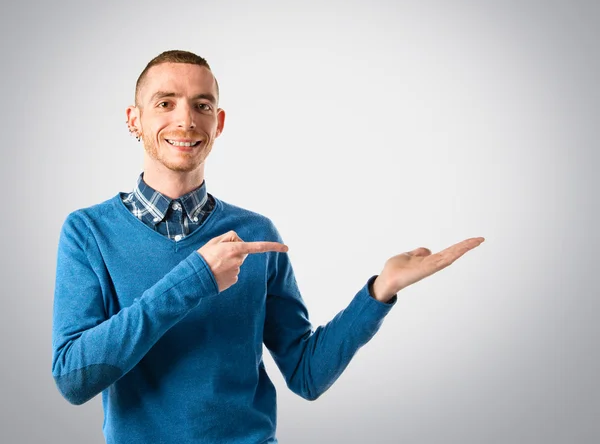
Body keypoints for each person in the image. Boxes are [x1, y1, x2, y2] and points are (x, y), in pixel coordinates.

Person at [52, 50, 485, 443]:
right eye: (165, 103)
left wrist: (379, 291)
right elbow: (75, 380)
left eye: (202, 105)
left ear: (218, 123)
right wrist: (196, 277)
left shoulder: (255, 233)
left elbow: (306, 374)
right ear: (134, 119)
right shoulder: (89, 232)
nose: (186, 120)